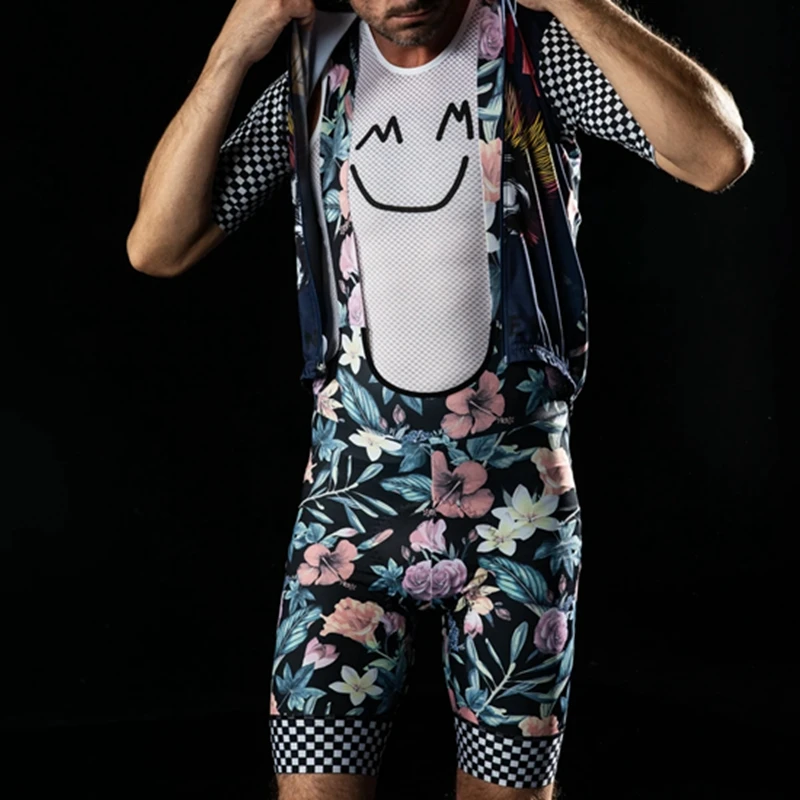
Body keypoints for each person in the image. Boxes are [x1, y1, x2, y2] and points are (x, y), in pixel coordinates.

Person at [126, 1, 752, 798]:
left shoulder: (532, 54)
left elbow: (718, 156)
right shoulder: (314, 75)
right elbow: (158, 244)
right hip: (349, 515)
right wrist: (231, 52)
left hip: (516, 516)